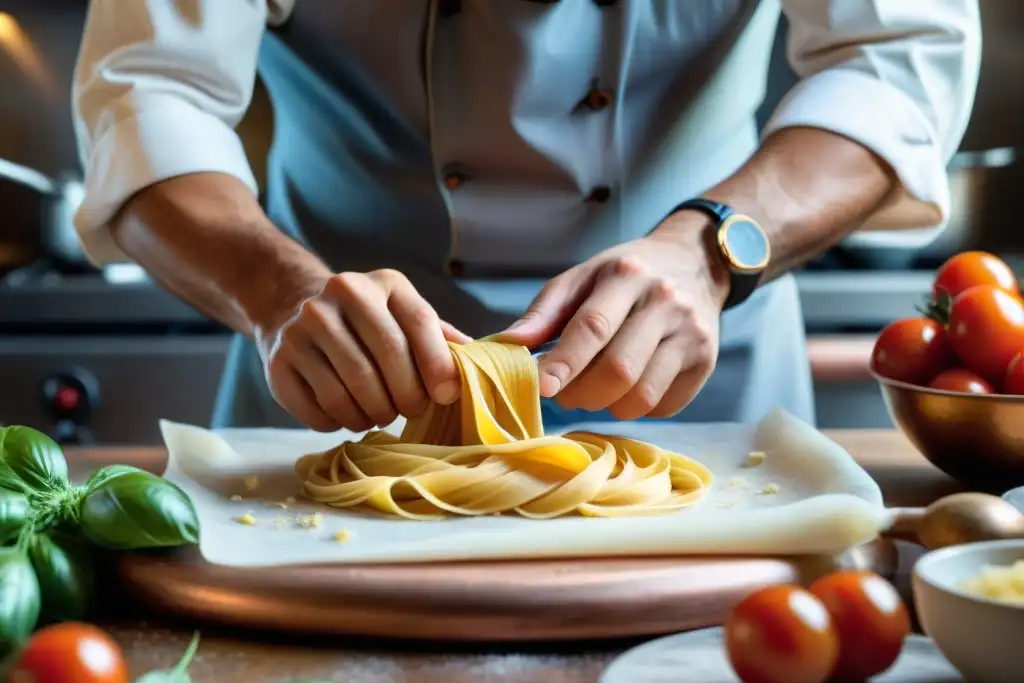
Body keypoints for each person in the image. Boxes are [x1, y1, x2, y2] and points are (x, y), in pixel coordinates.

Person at [72, 0, 980, 434]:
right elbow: (149, 88)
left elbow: (894, 54)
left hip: (708, 379)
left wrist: (711, 250)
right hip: (334, 388)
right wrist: (277, 293)